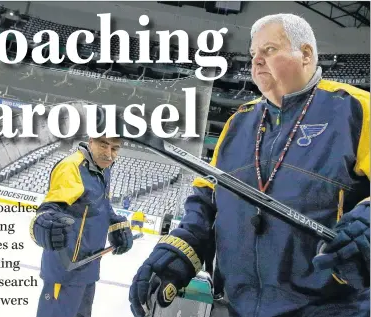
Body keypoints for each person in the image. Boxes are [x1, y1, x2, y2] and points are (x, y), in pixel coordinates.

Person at [129, 13, 369, 317]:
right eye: (253, 53)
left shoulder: (356, 109)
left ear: (305, 54)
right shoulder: (238, 122)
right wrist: (174, 254)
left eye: (268, 50)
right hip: (237, 308)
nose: (255, 61)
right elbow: (204, 207)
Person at [30, 136, 134, 317]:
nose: (109, 154)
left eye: (115, 149)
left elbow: (101, 205)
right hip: (66, 270)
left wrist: (116, 224)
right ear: (91, 141)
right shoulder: (72, 167)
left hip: (89, 266)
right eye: (104, 145)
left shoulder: (103, 168)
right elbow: (50, 209)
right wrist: (42, 225)